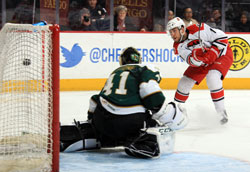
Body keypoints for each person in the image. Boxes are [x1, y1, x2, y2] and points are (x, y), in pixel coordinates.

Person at [60, 47, 188, 158]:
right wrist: (168, 114)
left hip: (102, 122)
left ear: (122, 60)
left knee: (103, 124)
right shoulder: (145, 69)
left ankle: (91, 134)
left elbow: (94, 99)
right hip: (130, 123)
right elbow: (151, 95)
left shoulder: (115, 72)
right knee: (152, 123)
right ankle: (139, 141)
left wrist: (92, 122)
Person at [167, 17, 233, 125]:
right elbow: (191, 61)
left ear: (182, 29)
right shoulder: (178, 47)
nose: (172, 35)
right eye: (170, 32)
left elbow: (222, 37)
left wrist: (213, 52)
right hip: (204, 61)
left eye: (174, 31)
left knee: (213, 78)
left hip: (222, 54)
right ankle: (179, 113)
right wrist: (198, 58)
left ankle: (221, 113)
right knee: (184, 83)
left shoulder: (198, 29)